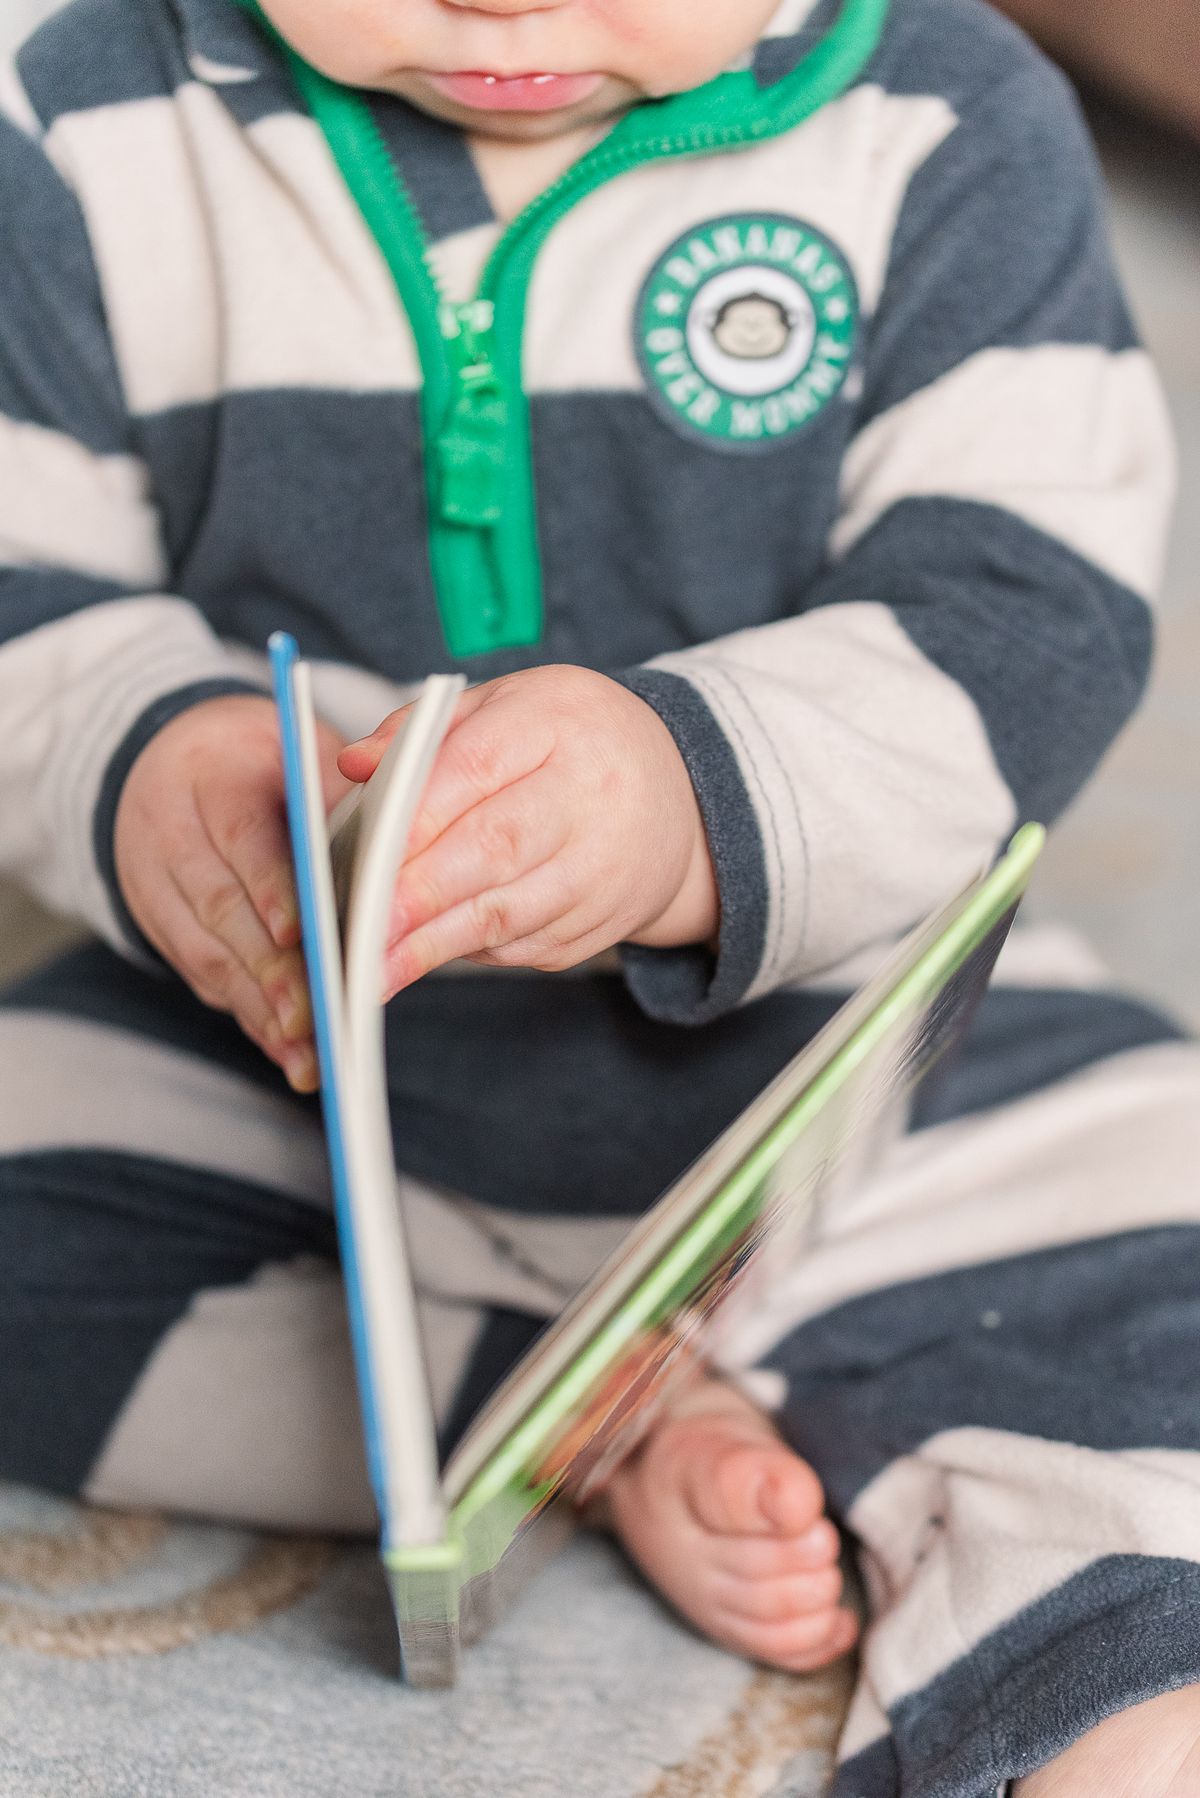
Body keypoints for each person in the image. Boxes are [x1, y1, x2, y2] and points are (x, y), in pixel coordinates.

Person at [0, 0, 1196, 1790]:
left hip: (854, 1056)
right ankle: (576, 1412)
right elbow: (28, 583)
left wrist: (689, 795)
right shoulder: (80, 115)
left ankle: (1110, 1667)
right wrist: (144, 759)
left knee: (1151, 1293)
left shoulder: (947, 128)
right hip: (299, 1074)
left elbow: (1033, 612)